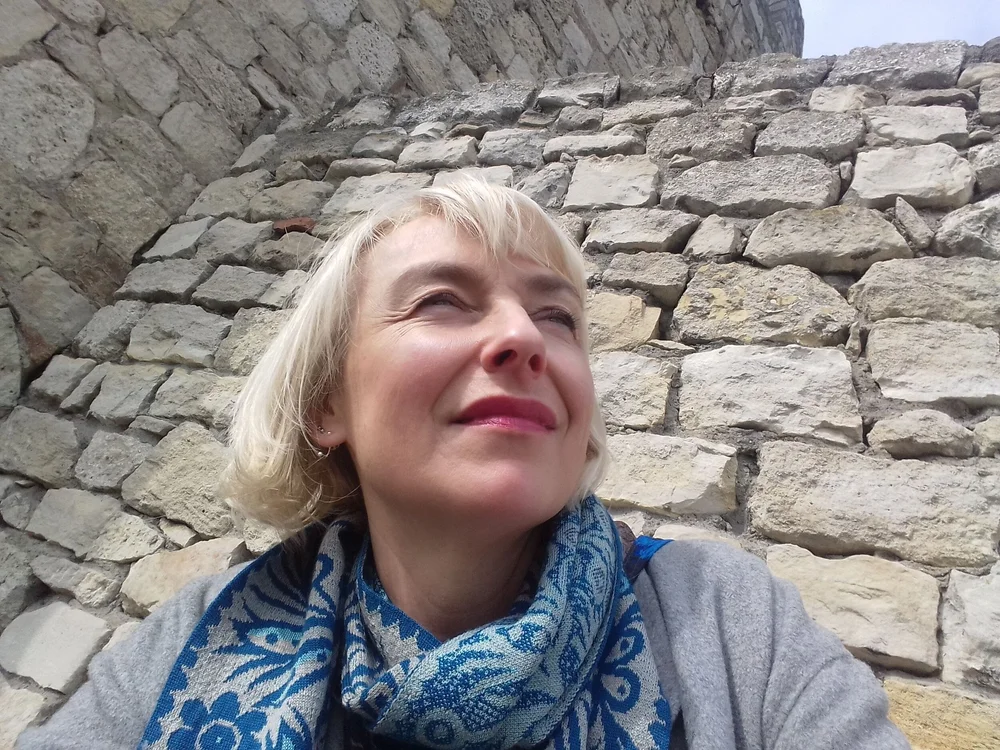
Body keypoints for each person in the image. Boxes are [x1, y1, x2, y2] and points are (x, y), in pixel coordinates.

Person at [17, 180, 910, 750]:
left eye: (556, 317)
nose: (524, 337)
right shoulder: (195, 636)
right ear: (327, 404)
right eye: (443, 301)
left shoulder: (727, 623)